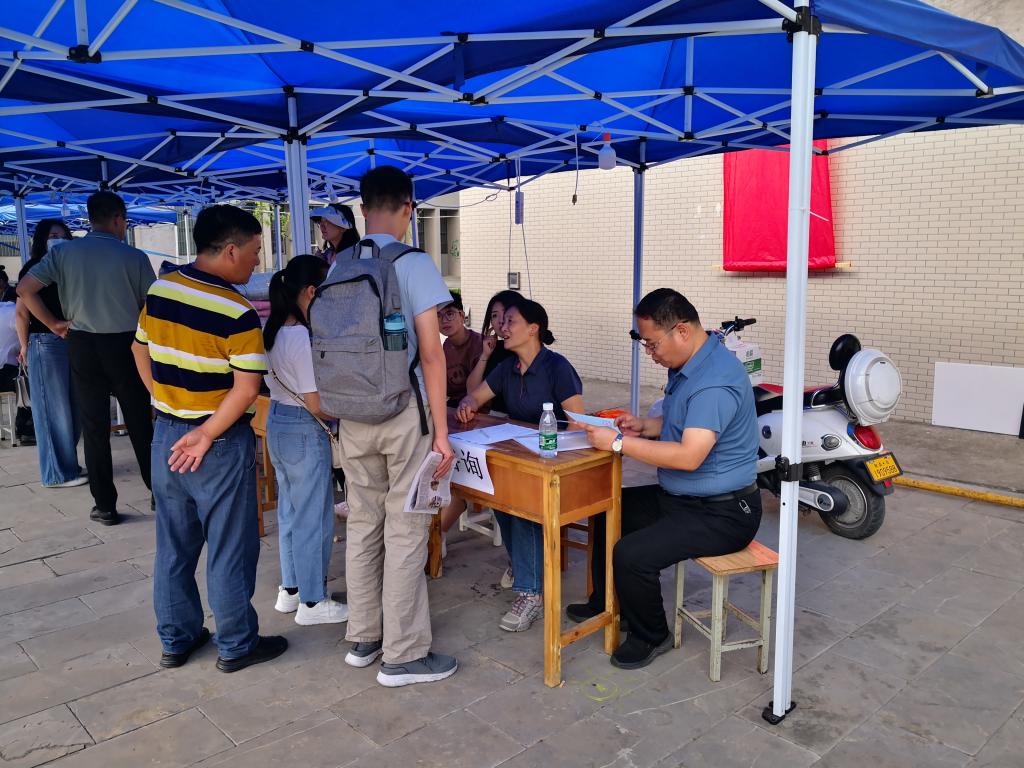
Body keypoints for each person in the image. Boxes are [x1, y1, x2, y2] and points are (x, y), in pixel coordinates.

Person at [567, 288, 762, 670]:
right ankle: (608, 603)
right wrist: (645, 425)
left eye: (653, 344)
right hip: (681, 497)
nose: (650, 354)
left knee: (633, 554)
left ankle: (651, 634)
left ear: (682, 331)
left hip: (723, 512)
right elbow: (682, 422)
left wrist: (619, 443)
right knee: (607, 511)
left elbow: (690, 455)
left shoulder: (715, 381)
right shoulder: (689, 365)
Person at [132, 204, 287, 673]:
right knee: (229, 546)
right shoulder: (237, 312)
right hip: (216, 442)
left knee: (174, 546)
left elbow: (138, 348)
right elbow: (247, 388)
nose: (257, 262)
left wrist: (165, 400)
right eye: (255, 251)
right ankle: (236, 644)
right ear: (231, 250)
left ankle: (176, 640)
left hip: (168, 434)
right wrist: (204, 432)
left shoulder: (161, 289)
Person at [331, 165, 457, 687]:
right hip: (404, 413)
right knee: (406, 529)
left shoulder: (340, 263)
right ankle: (403, 655)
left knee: (363, 524)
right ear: (409, 207)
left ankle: (364, 638)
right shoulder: (414, 263)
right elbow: (431, 353)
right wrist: (442, 434)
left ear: (362, 210)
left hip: (352, 414)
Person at [18, 191, 155, 526]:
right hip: (127, 345)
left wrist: (53, 323)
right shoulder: (134, 257)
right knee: (140, 422)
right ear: (118, 219)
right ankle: (159, 494)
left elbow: (24, 289)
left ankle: (105, 505)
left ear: (90, 219)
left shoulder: (63, 253)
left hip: (81, 344)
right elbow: (152, 305)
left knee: (94, 427)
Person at [456, 296, 584, 632]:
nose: (503, 327)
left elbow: (578, 423)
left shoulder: (557, 367)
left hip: (557, 465)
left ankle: (532, 593)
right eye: (502, 321)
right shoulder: (507, 368)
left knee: (524, 506)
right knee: (499, 498)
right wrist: (468, 405)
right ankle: (525, 566)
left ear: (533, 329)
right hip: (519, 459)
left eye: (511, 321)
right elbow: (476, 396)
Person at [263, 254, 348, 626]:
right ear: (312, 291)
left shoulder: (272, 331)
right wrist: (347, 412)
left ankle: (292, 589)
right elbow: (317, 404)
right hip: (303, 427)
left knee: (290, 512)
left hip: (277, 422)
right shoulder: (299, 336)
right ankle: (314, 602)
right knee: (314, 517)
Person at [15, 219, 84, 486]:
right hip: (45, 341)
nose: (57, 239)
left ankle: (68, 466)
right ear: (42, 239)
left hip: (71, 341)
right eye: (52, 235)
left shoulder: (71, 266)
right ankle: (56, 473)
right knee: (53, 410)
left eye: (62, 234)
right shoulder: (34, 268)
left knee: (71, 408)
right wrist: (25, 345)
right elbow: (22, 312)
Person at [465, 289, 520, 416]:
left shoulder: (535, 355)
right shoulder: (495, 350)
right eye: (494, 315)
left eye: (506, 312)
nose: (500, 320)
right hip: (497, 420)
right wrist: (485, 355)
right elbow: (472, 393)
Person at [439, 292, 482, 408]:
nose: (444, 320)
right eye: (438, 315)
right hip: (454, 407)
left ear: (462, 315)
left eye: (449, 314)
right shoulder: (445, 346)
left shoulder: (480, 344)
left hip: (479, 407)